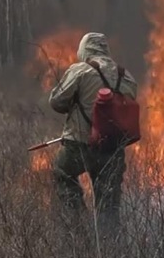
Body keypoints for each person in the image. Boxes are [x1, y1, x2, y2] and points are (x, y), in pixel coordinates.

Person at [48, 32, 138, 235]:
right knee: (109, 203)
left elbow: (56, 102)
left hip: (78, 145)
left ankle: (79, 228)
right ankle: (109, 251)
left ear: (84, 50)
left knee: (61, 173)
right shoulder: (127, 76)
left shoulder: (80, 70)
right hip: (112, 149)